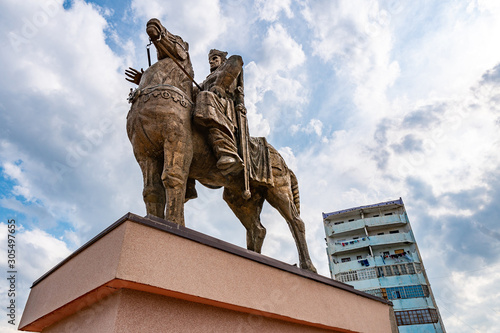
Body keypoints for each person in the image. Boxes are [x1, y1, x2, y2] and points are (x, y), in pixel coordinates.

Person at [193, 49, 246, 176]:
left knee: (205, 96)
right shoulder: (206, 80)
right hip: (206, 106)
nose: (211, 61)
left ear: (223, 60)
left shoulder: (228, 67)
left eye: (215, 58)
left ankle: (227, 151)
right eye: (210, 60)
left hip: (223, 104)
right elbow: (189, 91)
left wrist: (220, 86)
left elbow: (237, 61)